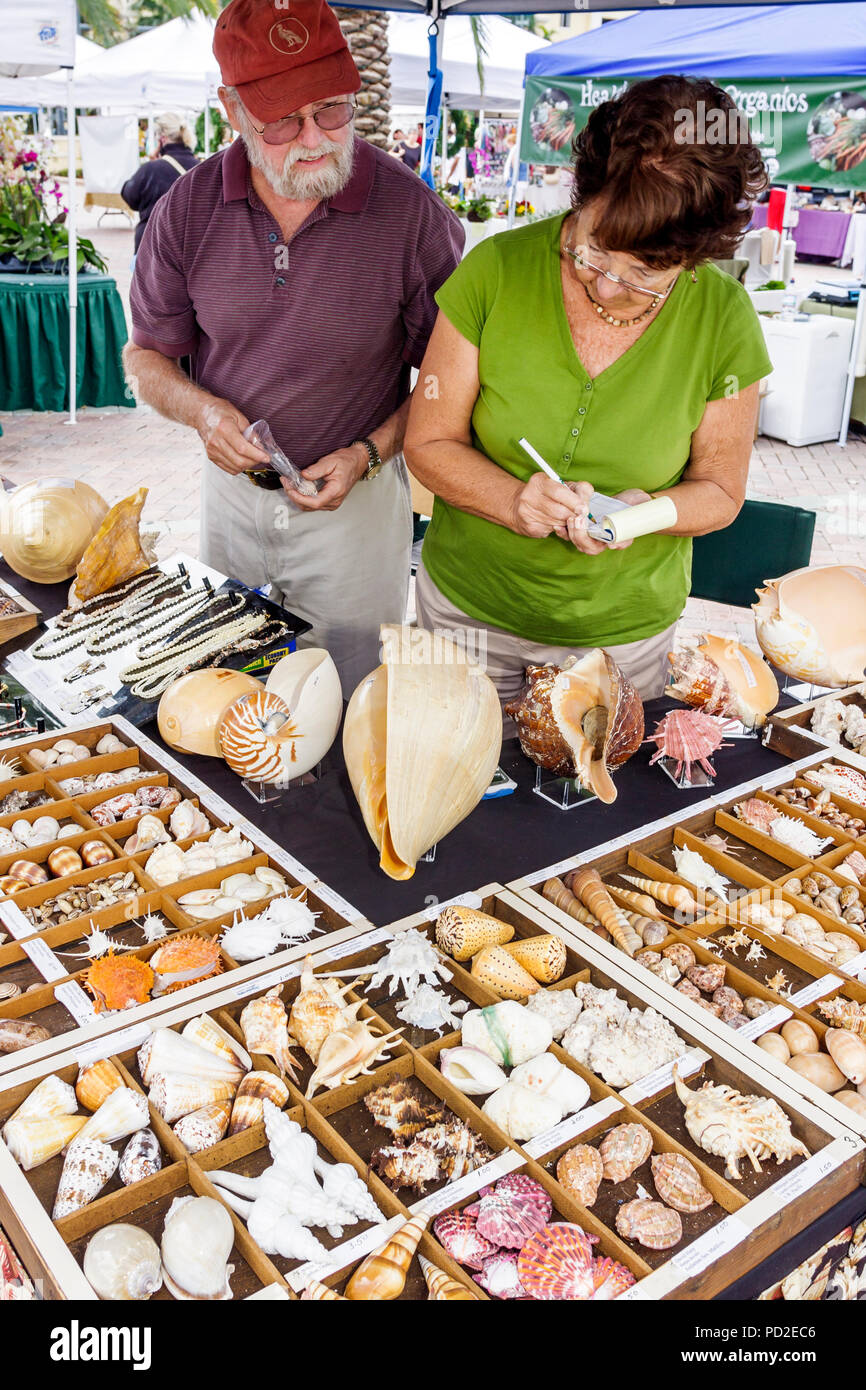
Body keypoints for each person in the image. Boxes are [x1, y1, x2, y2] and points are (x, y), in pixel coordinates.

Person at [123, 0, 463, 696]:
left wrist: (372, 453)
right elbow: (146, 358)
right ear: (231, 108)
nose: (313, 138)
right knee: (231, 690)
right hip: (231, 502)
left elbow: (450, 377)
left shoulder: (409, 212)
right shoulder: (186, 209)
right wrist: (203, 414)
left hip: (357, 509)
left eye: (332, 110)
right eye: (281, 120)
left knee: (347, 701)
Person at [404, 75, 773, 708]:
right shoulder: (495, 270)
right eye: (594, 251)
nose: (606, 287)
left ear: (695, 257)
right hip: (466, 615)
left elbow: (720, 492)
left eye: (645, 275)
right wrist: (512, 500)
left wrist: (643, 513)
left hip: (621, 641)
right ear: (583, 193)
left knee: (592, 799)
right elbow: (429, 442)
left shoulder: (723, 317)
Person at [121, 113, 199, 254]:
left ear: (162, 139)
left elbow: (129, 196)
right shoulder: (201, 168)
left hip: (151, 247)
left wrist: (151, 164)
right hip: (189, 249)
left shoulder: (151, 169)